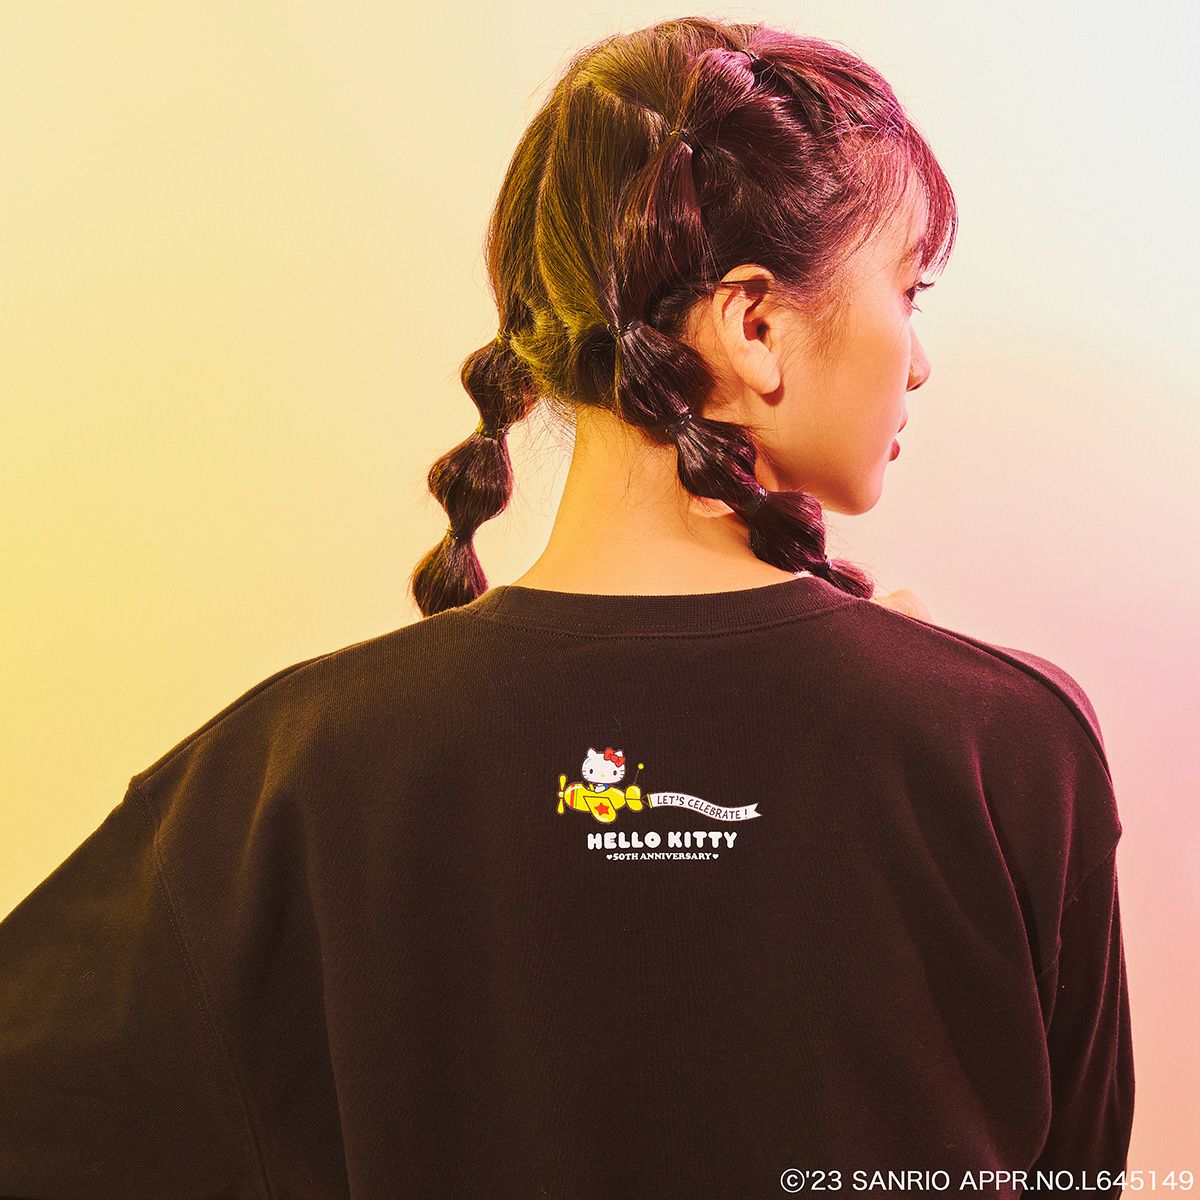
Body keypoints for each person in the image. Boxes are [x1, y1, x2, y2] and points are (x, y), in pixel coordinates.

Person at [0, 17, 1132, 1199]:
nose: (919, 361)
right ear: (754, 326)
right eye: (910, 287)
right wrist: (938, 721)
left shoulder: (297, 766)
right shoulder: (1010, 746)